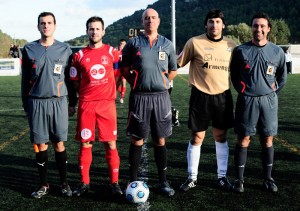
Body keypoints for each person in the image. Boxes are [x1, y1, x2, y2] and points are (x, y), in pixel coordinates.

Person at [177, 9, 236, 192]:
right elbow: (177, 63)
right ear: (206, 24)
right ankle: (192, 178)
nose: (214, 25)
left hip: (223, 96)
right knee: (197, 137)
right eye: (211, 21)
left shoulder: (231, 45)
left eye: (218, 21)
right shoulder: (194, 42)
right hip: (200, 96)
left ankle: (222, 177)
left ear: (223, 25)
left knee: (221, 136)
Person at [120, 8, 177, 197]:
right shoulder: (132, 43)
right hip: (139, 97)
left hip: (161, 97)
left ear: (158, 21)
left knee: (160, 139)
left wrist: (163, 81)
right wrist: (136, 82)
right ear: (142, 22)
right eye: (146, 18)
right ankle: (133, 180)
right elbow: (125, 69)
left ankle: (163, 181)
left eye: (153, 17)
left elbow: (173, 70)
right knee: (137, 139)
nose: (150, 21)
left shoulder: (167, 44)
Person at [230, 12, 287, 193]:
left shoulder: (277, 52)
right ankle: (239, 180)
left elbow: (282, 77)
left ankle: (268, 179)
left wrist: (271, 91)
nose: (258, 29)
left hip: (269, 101)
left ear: (268, 29)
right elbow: (234, 75)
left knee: (267, 139)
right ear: (251, 28)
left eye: (262, 26)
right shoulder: (240, 50)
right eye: (255, 26)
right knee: (243, 138)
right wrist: (244, 90)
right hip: (247, 101)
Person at [21, 12, 74, 199]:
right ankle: (44, 184)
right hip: (36, 101)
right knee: (40, 144)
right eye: (42, 23)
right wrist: (25, 104)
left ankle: (64, 183)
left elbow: (70, 79)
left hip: (58, 102)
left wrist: (72, 102)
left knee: (58, 143)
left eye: (49, 23)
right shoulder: (28, 49)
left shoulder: (65, 49)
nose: (46, 26)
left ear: (55, 25)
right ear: (38, 27)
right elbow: (25, 79)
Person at [70, 16, 123, 197]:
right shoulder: (78, 56)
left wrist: (108, 91)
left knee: (110, 143)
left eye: (97, 29)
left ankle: (114, 183)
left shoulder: (111, 52)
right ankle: (84, 183)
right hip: (87, 105)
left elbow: (117, 74)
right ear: (87, 31)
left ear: (103, 31)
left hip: (107, 105)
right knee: (86, 143)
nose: (94, 32)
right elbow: (75, 82)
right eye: (91, 29)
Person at [115, 39, 127, 103]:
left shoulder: (126, 52)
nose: (122, 45)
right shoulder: (115, 52)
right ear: (119, 44)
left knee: (123, 83)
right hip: (117, 70)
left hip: (124, 70)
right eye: (121, 44)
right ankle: (120, 93)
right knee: (116, 85)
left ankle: (122, 97)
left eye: (124, 44)